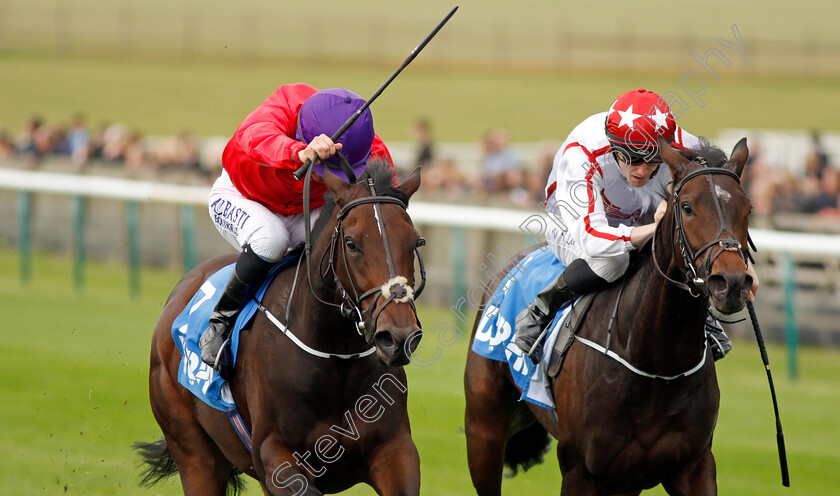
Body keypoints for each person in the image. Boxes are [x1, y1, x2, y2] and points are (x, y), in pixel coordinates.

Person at [514, 88, 759, 363]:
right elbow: (592, 240)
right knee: (614, 260)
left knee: (679, 239)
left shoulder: (678, 140)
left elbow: (715, 197)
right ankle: (543, 308)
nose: (642, 171)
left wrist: (738, 258)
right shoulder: (582, 154)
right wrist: (655, 228)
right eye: (630, 158)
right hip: (572, 222)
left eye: (653, 160)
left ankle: (701, 318)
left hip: (636, 213)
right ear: (613, 146)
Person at [200, 83, 393, 371]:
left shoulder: (365, 143)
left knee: (344, 243)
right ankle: (220, 323)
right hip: (245, 196)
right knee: (271, 240)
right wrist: (298, 152)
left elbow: (388, 194)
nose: (323, 177)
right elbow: (254, 136)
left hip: (307, 209)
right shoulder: (286, 105)